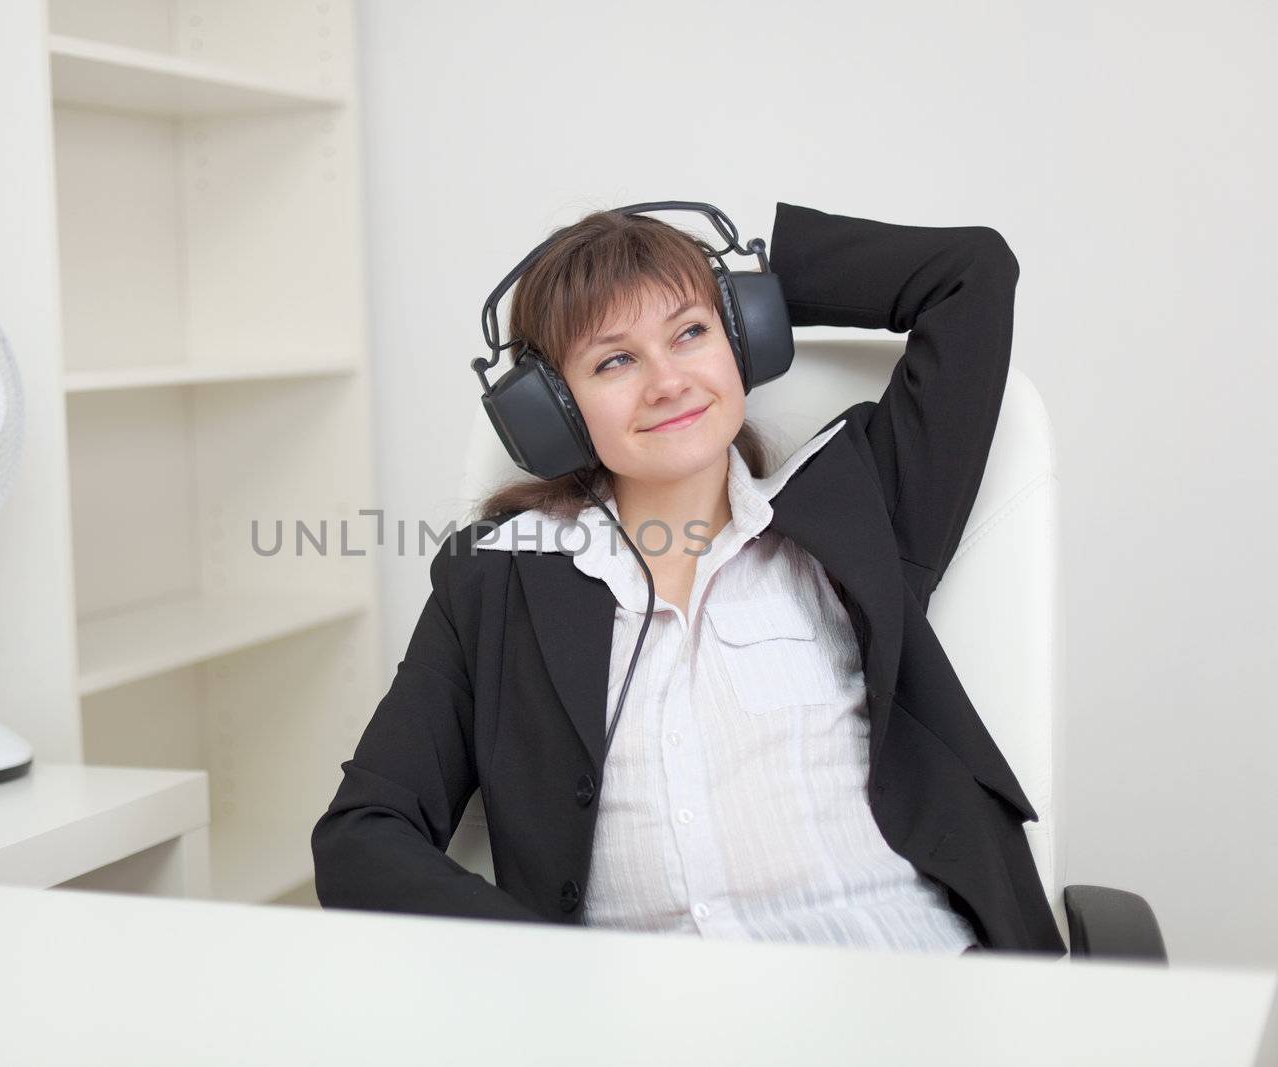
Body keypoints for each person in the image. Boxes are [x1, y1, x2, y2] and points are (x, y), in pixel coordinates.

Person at [312, 201, 1067, 956]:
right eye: (614, 360)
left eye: (692, 332)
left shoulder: (865, 504)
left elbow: (970, 274)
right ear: (554, 411)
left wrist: (751, 288)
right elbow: (360, 837)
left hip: (915, 986)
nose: (668, 381)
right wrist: (546, 975)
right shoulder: (497, 582)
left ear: (742, 338)